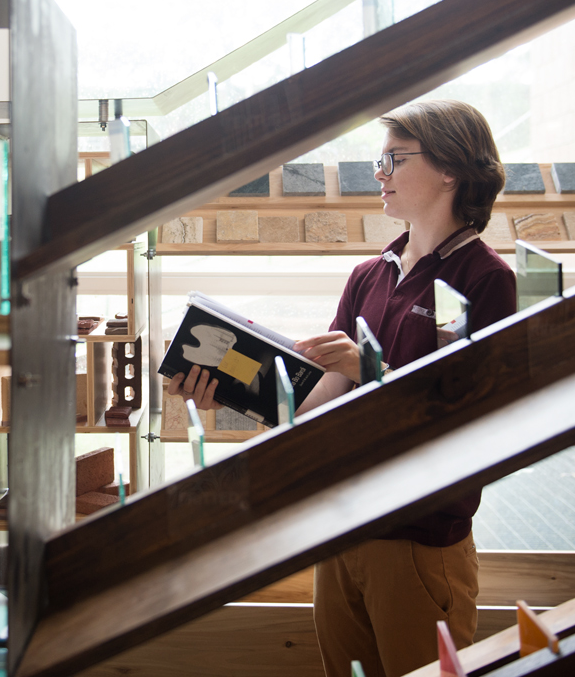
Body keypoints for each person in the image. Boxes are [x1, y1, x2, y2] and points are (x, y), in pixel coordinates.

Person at [168, 99, 515, 677]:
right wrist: (228, 391)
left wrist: (371, 370)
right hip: (343, 525)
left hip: (420, 539)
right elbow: (313, 406)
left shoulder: (486, 279)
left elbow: (470, 417)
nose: (378, 174)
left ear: (451, 169)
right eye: (378, 161)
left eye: (394, 160)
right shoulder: (369, 274)